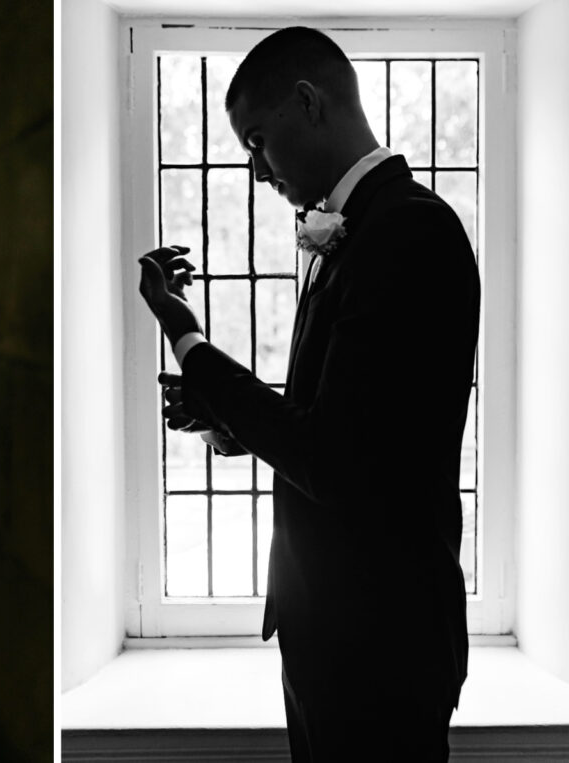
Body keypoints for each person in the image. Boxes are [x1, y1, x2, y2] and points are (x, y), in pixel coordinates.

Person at [138, 27, 479, 762]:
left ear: (307, 101)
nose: (256, 169)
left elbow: (331, 460)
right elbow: (337, 428)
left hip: (382, 651)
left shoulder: (410, 233)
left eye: (258, 140)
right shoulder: (359, 234)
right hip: (332, 639)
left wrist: (188, 340)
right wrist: (223, 422)